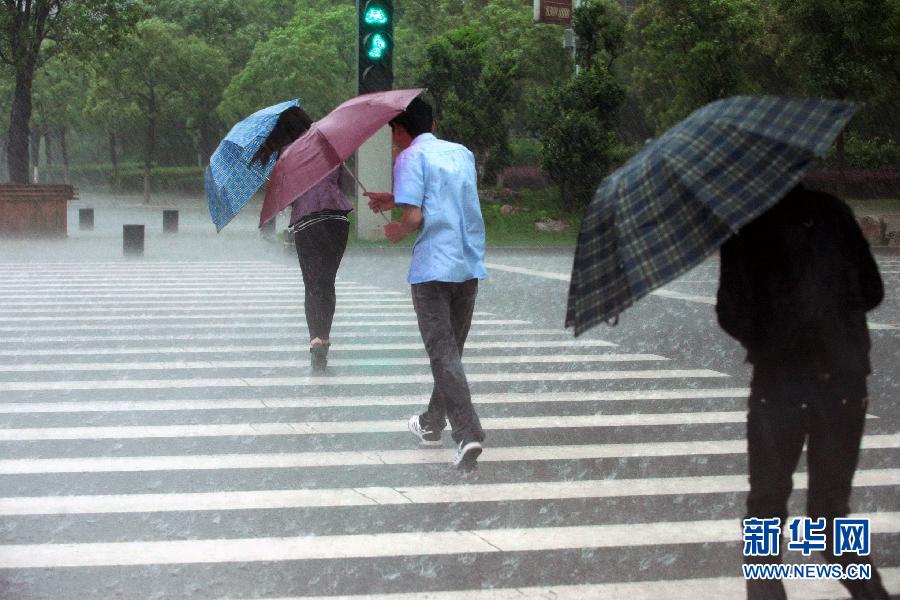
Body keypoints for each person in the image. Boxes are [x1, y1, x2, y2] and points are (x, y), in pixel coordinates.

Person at [716, 184, 888, 600]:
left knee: (765, 510)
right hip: (842, 383)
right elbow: (872, 291)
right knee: (831, 517)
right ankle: (871, 595)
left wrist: (771, 337)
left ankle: (764, 594)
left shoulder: (744, 223)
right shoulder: (832, 211)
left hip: (778, 386)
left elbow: (730, 313)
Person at [365, 97, 488, 471]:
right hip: (467, 264)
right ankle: (432, 422)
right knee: (451, 351)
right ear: (432, 122)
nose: (394, 140)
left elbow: (415, 216)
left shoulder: (409, 158)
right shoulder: (462, 153)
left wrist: (396, 229)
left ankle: (468, 434)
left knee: (443, 352)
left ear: (400, 129)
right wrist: (394, 198)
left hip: (433, 268)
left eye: (394, 133)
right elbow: (447, 198)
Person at [253, 106, 352, 371]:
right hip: (338, 220)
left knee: (313, 283)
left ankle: (317, 341)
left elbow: (281, 195)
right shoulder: (328, 145)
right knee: (327, 282)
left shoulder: (287, 155)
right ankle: (325, 338)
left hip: (309, 220)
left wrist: (269, 223)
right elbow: (340, 183)